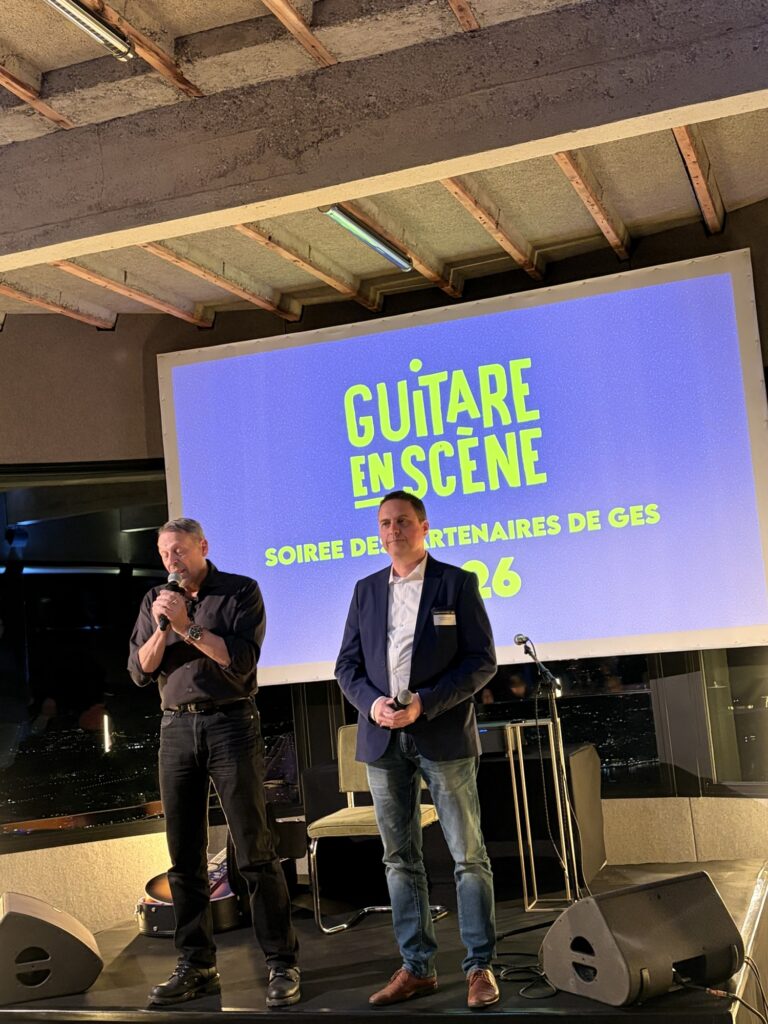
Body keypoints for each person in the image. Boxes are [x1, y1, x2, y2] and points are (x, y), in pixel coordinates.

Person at [335, 491, 499, 1009]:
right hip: (382, 738)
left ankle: (479, 967)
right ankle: (417, 967)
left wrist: (424, 703)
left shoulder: (456, 583)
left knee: (467, 856)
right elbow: (346, 667)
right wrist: (373, 705)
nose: (393, 531)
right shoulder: (365, 590)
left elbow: (481, 662)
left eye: (402, 521)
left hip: (442, 734)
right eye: (384, 523)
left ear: (424, 527)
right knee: (399, 860)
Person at [128, 518, 299, 1008]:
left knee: (254, 849)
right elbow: (140, 671)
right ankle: (197, 965)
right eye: (165, 554)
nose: (172, 561)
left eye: (179, 551)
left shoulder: (240, 591)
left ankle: (281, 962)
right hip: (176, 728)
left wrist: (186, 626)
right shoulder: (155, 601)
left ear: (202, 546)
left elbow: (239, 662)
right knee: (184, 855)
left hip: (230, 723)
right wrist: (163, 628)